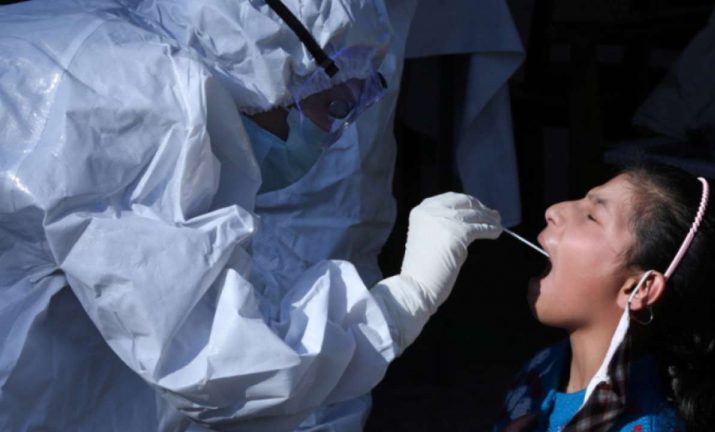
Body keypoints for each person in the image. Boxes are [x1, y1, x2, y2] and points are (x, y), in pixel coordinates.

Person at [0, 0, 502, 431]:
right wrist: (405, 298)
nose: (331, 134)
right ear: (277, 58)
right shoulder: (143, 104)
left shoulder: (71, 33)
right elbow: (219, 367)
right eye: (336, 105)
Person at [495, 163, 715, 432]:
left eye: (592, 216)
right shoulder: (545, 366)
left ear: (639, 289)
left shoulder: (645, 426)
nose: (553, 210)